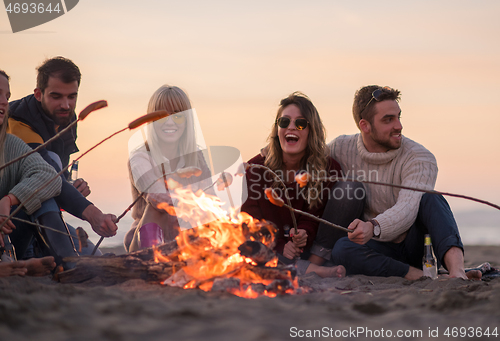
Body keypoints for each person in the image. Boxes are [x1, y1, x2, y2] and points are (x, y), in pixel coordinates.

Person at [327, 85, 480, 280]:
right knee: (341, 249)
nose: (398, 125)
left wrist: (372, 225)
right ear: (364, 125)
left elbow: (408, 208)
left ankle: (457, 272)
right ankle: (421, 275)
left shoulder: (419, 157)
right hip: (376, 248)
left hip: (413, 243)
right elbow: (310, 162)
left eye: (398, 117)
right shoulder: (341, 148)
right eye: (388, 120)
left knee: (431, 199)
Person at [7, 57, 117, 256]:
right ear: (39, 94)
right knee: (48, 171)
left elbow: (58, 179)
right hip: (13, 220)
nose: (66, 105)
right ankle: (61, 261)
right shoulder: (19, 121)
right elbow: (47, 176)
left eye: (71, 97)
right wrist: (94, 215)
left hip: (45, 219)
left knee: (95, 257)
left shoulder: (66, 118)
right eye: (56, 96)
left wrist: (72, 187)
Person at [241, 92, 346, 278]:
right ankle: (307, 270)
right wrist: (282, 245)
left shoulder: (328, 168)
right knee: (244, 245)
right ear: (277, 129)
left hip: (315, 249)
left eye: (300, 123)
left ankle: (311, 265)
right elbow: (252, 222)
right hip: (272, 248)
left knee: (350, 191)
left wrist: (302, 234)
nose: (291, 127)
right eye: (284, 122)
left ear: (311, 131)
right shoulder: (256, 169)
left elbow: (316, 216)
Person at [125, 85, 212, 252]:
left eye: (178, 116)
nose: (170, 122)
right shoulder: (140, 157)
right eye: (162, 116)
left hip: (186, 237)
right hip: (144, 240)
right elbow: (157, 197)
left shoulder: (196, 155)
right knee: (157, 203)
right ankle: (152, 261)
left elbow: (209, 198)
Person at [0, 69, 56, 276]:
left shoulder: (11, 144)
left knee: (41, 197)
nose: (4, 102)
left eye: (7, 96)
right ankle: (14, 266)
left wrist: (9, 199)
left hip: (8, 236)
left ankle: (13, 262)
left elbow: (49, 176)